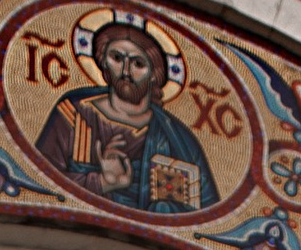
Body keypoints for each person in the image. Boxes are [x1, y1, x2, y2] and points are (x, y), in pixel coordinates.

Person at [34, 19, 218, 216]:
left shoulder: (177, 138)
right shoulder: (74, 113)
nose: (126, 72)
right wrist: (103, 182)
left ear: (155, 74)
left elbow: (206, 212)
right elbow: (39, 180)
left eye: (138, 63)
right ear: (103, 61)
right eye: (117, 58)